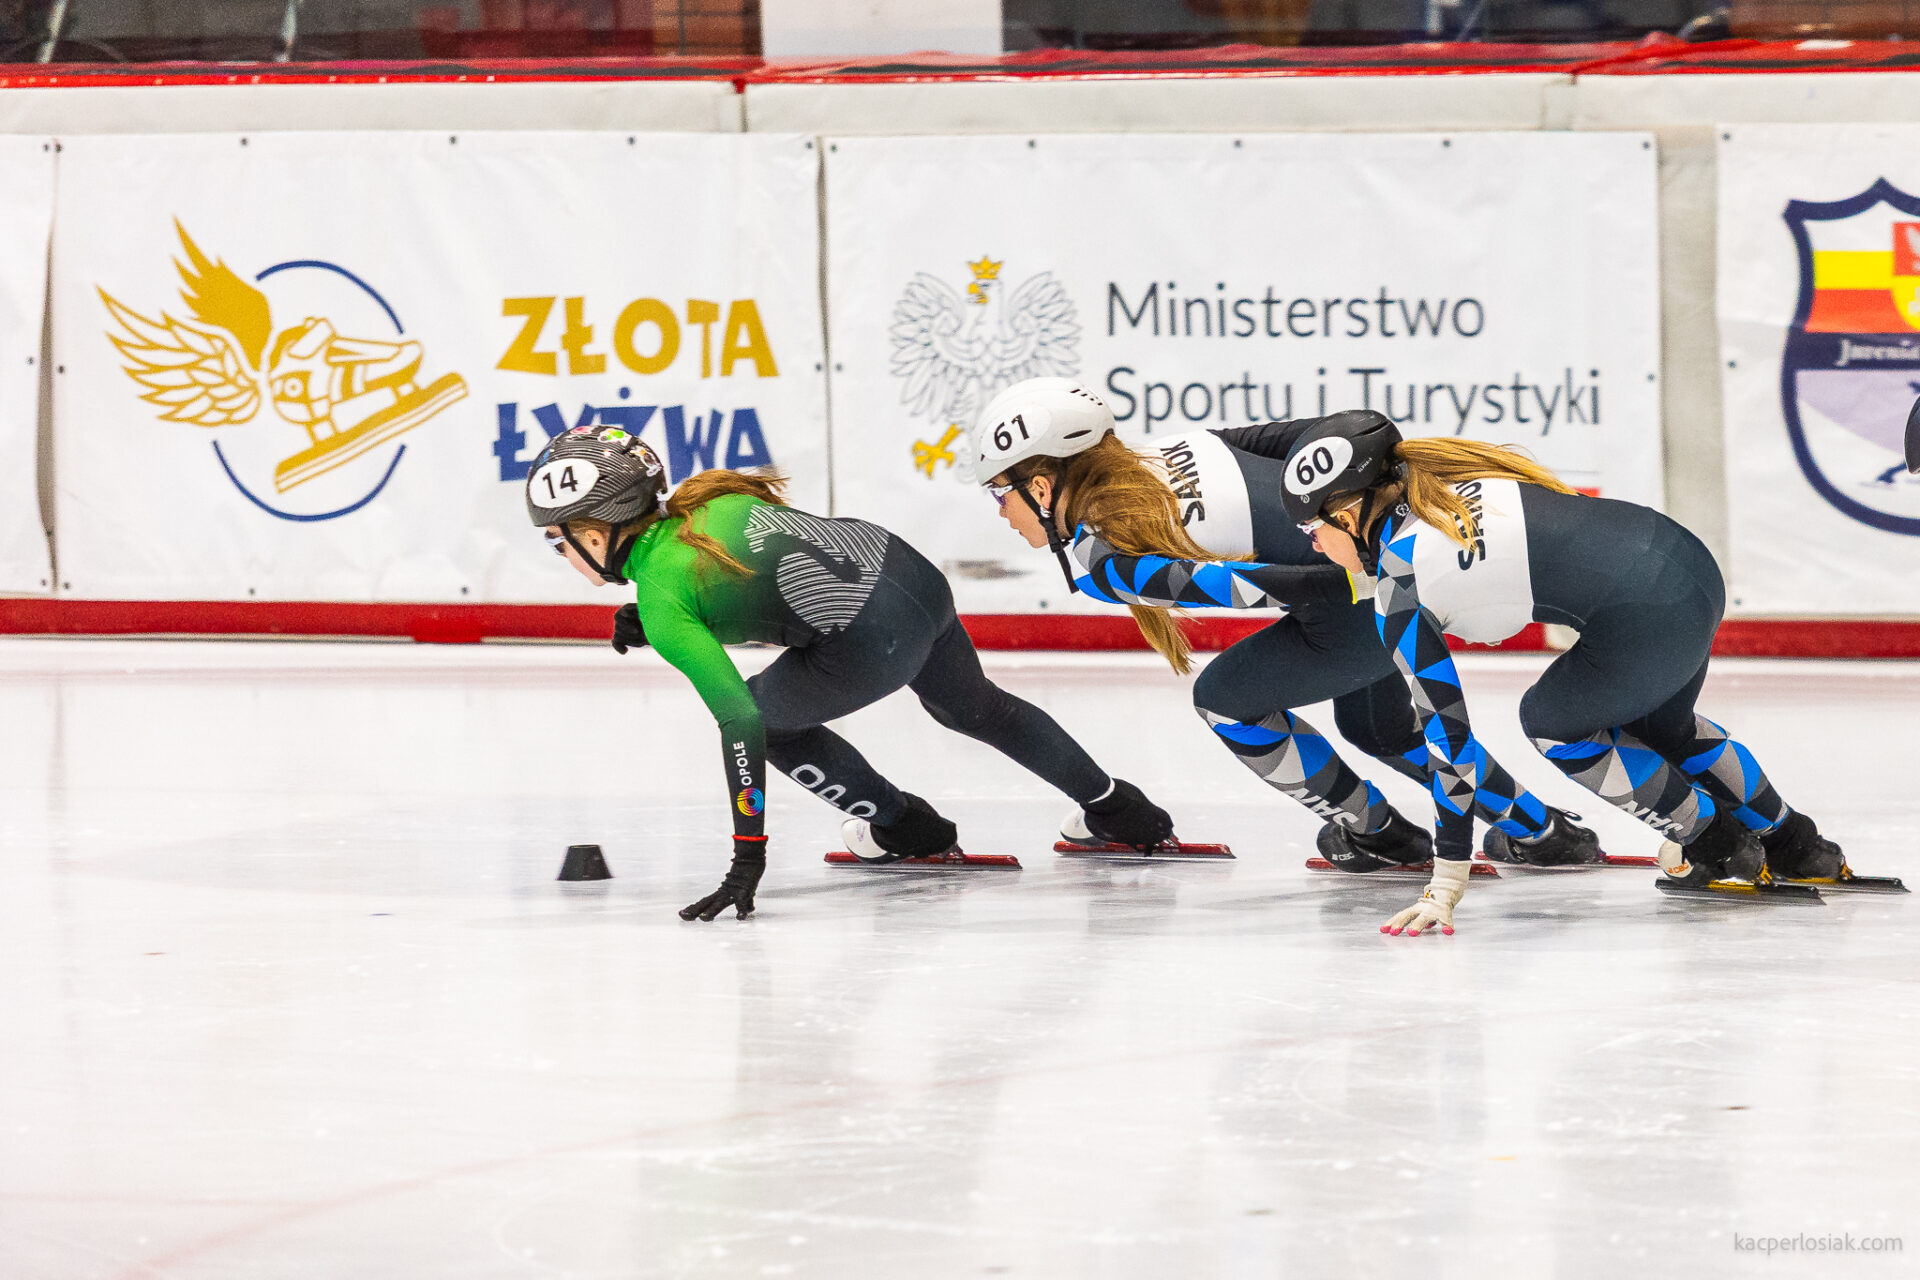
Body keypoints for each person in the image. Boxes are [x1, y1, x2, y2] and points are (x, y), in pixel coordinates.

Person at [1071, 408, 1847, 934]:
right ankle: (1798, 844)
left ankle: (1716, 844)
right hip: (1685, 563)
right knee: (1662, 725)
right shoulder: (1428, 477)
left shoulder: (1402, 577)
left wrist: (1446, 881)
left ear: (1350, 513)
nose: (1309, 544)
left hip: (1651, 611)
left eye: (1313, 527)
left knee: (1555, 722)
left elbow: (1451, 745)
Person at [526, 424, 1176, 921]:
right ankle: (1121, 811)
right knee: (976, 707)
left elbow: (739, 722)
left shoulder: (664, 598)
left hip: (873, 635)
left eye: (561, 541)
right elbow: (753, 582)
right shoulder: (704, 507)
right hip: (910, 573)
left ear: (596, 531)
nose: (565, 556)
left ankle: (905, 828)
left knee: (767, 721)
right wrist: (652, 615)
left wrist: (746, 858)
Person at [971, 379, 1599, 872]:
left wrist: (1366, 582)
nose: (1000, 514)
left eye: (1000, 494)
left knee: (1224, 701)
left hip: (1356, 595)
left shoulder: (1101, 561)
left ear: (1043, 487)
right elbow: (1328, 438)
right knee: (1378, 729)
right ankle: (1544, 833)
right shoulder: (1177, 448)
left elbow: (1253, 587)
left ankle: (1376, 832)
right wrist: (1389, 540)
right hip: (1374, 570)